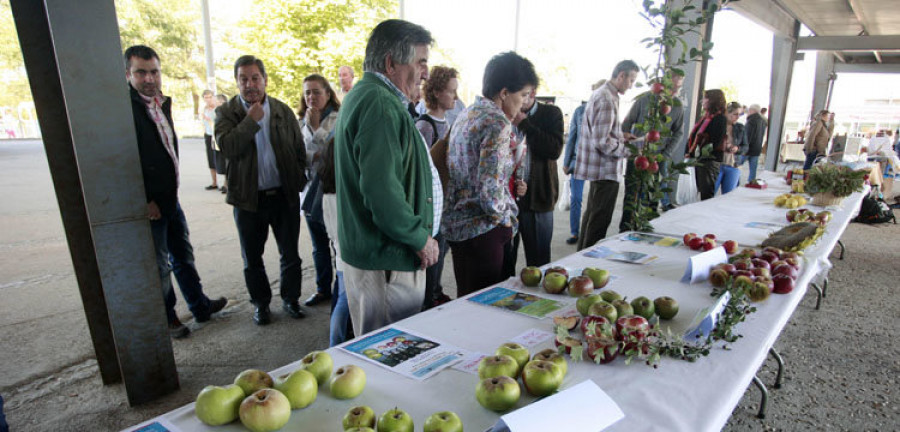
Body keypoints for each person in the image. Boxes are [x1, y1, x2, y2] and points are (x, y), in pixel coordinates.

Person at [333, 19, 439, 336]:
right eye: (420, 62)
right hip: (387, 262)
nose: (426, 72)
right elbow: (382, 193)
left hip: (382, 260)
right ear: (391, 63)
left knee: (381, 349)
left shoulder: (370, 96)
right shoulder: (379, 103)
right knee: (388, 352)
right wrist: (419, 238)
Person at [124, 45, 227, 338]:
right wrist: (146, 199)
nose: (149, 78)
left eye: (154, 71)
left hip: (171, 199)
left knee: (183, 255)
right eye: (141, 72)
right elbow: (127, 160)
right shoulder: (126, 109)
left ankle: (200, 305)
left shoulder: (159, 103)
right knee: (159, 266)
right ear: (128, 74)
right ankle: (168, 318)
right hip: (152, 204)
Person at [216, 55, 308, 325]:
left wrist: (298, 179)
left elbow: (298, 148)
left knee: (290, 253)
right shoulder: (226, 113)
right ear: (237, 82)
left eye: (255, 78)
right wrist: (250, 120)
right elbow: (228, 147)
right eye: (243, 79)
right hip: (248, 200)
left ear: (265, 80)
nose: (250, 84)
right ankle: (261, 305)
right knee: (252, 258)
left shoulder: (281, 110)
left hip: (283, 196)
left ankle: (291, 300)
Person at [443, 51, 538, 295]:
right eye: (523, 95)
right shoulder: (498, 122)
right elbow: (489, 188)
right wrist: (505, 219)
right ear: (504, 93)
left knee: (466, 300)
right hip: (484, 231)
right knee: (485, 307)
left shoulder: (468, 113)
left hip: (459, 225)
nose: (524, 102)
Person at [574, 60, 640, 250]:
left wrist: (621, 135)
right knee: (598, 222)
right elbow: (602, 141)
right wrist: (630, 152)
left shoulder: (604, 94)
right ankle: (588, 263)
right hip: (605, 170)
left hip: (599, 170)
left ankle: (582, 256)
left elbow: (603, 132)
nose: (631, 85)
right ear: (621, 76)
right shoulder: (606, 99)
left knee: (592, 217)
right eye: (631, 80)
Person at [619, 72, 685, 231]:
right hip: (638, 156)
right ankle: (625, 229)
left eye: (679, 87)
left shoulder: (676, 106)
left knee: (652, 196)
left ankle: (646, 229)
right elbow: (627, 122)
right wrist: (630, 145)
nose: (676, 90)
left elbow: (678, 133)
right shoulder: (645, 100)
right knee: (631, 195)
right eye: (673, 86)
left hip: (657, 158)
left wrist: (665, 154)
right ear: (664, 84)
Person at [416, 65, 459, 309]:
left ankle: (436, 291)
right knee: (434, 258)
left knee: (441, 257)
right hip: (434, 208)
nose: (455, 97)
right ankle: (428, 299)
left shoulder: (449, 122)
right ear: (437, 92)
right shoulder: (425, 126)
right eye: (452, 91)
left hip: (446, 205)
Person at [298, 74, 341, 308]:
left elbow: (331, 154)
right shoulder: (300, 120)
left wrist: (315, 130)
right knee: (318, 246)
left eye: (316, 91)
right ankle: (322, 288)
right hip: (309, 190)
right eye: (307, 93)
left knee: (336, 243)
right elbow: (300, 156)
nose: (311, 97)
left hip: (331, 191)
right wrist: (314, 153)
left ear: (327, 93)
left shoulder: (338, 118)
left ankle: (339, 289)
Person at [508, 86, 564, 268]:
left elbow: (554, 150)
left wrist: (524, 124)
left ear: (531, 94)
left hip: (538, 201)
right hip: (507, 202)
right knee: (504, 264)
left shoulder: (551, 113)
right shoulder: (505, 112)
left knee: (539, 263)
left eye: (521, 94)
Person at [685, 89, 727, 201]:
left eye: (705, 98)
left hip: (709, 162)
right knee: (694, 191)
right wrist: (688, 152)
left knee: (706, 193)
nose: (702, 101)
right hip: (698, 159)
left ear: (713, 100)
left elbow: (715, 141)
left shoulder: (720, 119)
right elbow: (694, 136)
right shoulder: (705, 117)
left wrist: (700, 152)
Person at [563, 100, 587, 245]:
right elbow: (572, 137)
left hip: (598, 163)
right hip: (579, 162)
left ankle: (588, 232)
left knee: (594, 202)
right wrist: (566, 162)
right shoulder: (579, 111)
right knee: (576, 198)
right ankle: (574, 233)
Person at [713, 102, 744, 195]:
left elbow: (746, 147)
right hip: (717, 164)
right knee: (710, 194)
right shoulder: (718, 125)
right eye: (735, 114)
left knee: (728, 196)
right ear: (727, 113)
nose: (737, 117)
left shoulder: (740, 127)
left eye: (740, 114)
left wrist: (737, 148)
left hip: (733, 166)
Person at [740, 103, 767, 182]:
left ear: (752, 110)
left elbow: (747, 136)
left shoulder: (751, 121)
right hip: (757, 148)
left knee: (736, 167)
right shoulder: (763, 120)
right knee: (753, 171)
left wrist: (744, 149)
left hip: (748, 149)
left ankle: (735, 184)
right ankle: (751, 184)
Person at [201, 90, 221, 191]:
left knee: (221, 158)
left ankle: (226, 184)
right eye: (206, 97)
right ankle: (214, 182)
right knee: (210, 158)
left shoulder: (218, 108)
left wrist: (209, 119)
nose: (208, 99)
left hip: (217, 135)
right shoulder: (205, 109)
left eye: (210, 97)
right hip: (208, 135)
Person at [214, 94, 229, 194]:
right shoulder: (217, 112)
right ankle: (224, 183)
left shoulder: (229, 112)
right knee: (222, 164)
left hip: (227, 143)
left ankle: (226, 184)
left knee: (227, 163)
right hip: (217, 141)